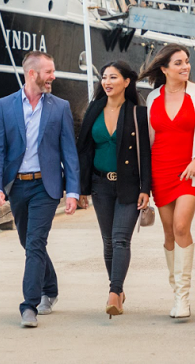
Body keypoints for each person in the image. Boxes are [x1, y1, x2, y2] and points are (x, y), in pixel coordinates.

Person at [0, 51, 80, 328]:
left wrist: (73, 191)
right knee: (29, 242)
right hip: (17, 186)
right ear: (32, 74)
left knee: (35, 243)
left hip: (46, 186)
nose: (54, 76)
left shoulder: (59, 106)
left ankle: (29, 305)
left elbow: (69, 152)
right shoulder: (4, 106)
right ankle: (50, 288)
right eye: (49, 72)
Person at [139, 43, 195, 319]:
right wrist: (144, 183)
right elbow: (148, 140)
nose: (185, 66)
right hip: (160, 170)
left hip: (191, 170)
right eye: (178, 63)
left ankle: (183, 298)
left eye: (186, 61)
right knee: (169, 233)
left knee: (181, 225)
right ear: (164, 69)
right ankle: (176, 293)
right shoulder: (152, 98)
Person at [77, 61, 151, 318]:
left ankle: (113, 292)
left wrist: (146, 187)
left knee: (121, 239)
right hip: (100, 184)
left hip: (129, 185)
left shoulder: (137, 113)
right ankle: (118, 293)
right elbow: (84, 151)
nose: (107, 82)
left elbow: (146, 153)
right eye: (104, 77)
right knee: (108, 242)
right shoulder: (93, 110)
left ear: (126, 82)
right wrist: (81, 189)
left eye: (113, 77)